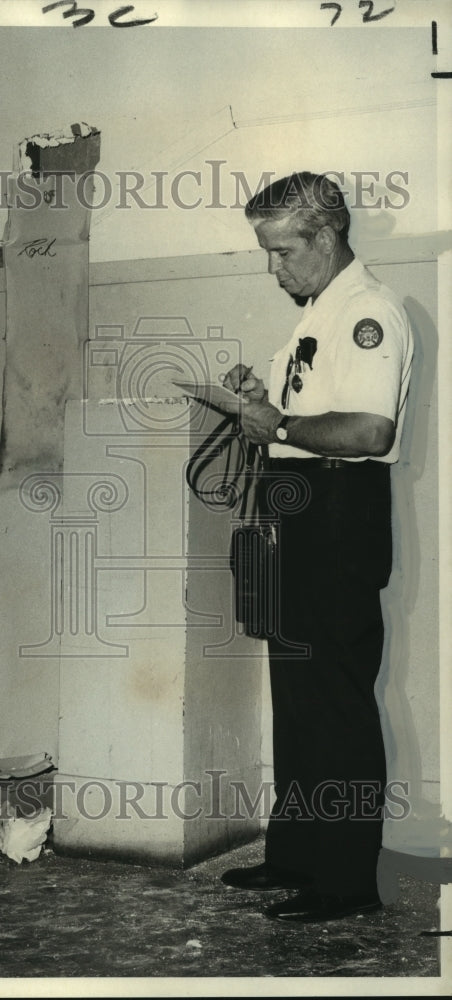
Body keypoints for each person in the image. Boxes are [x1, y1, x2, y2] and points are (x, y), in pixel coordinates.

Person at [220, 171, 414, 923]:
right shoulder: (319, 313)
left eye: (281, 252)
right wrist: (258, 403)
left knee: (333, 700)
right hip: (300, 509)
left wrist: (280, 427)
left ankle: (345, 882)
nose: (274, 268)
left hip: (337, 512)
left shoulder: (368, 313)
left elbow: (370, 432)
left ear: (326, 237)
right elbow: (304, 406)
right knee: (299, 694)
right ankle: (297, 856)